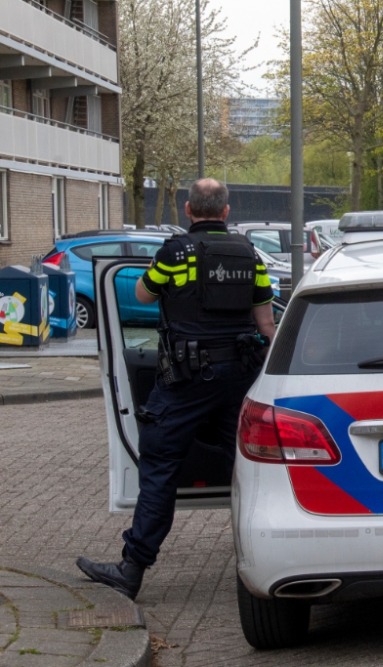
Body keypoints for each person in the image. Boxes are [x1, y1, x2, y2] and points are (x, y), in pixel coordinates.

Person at [77, 179, 276, 600]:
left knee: (160, 462)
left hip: (187, 379)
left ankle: (131, 569)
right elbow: (266, 326)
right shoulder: (249, 253)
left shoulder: (174, 252)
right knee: (253, 466)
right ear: (225, 211)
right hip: (240, 375)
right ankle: (272, 552)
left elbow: (142, 295)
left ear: (188, 210)